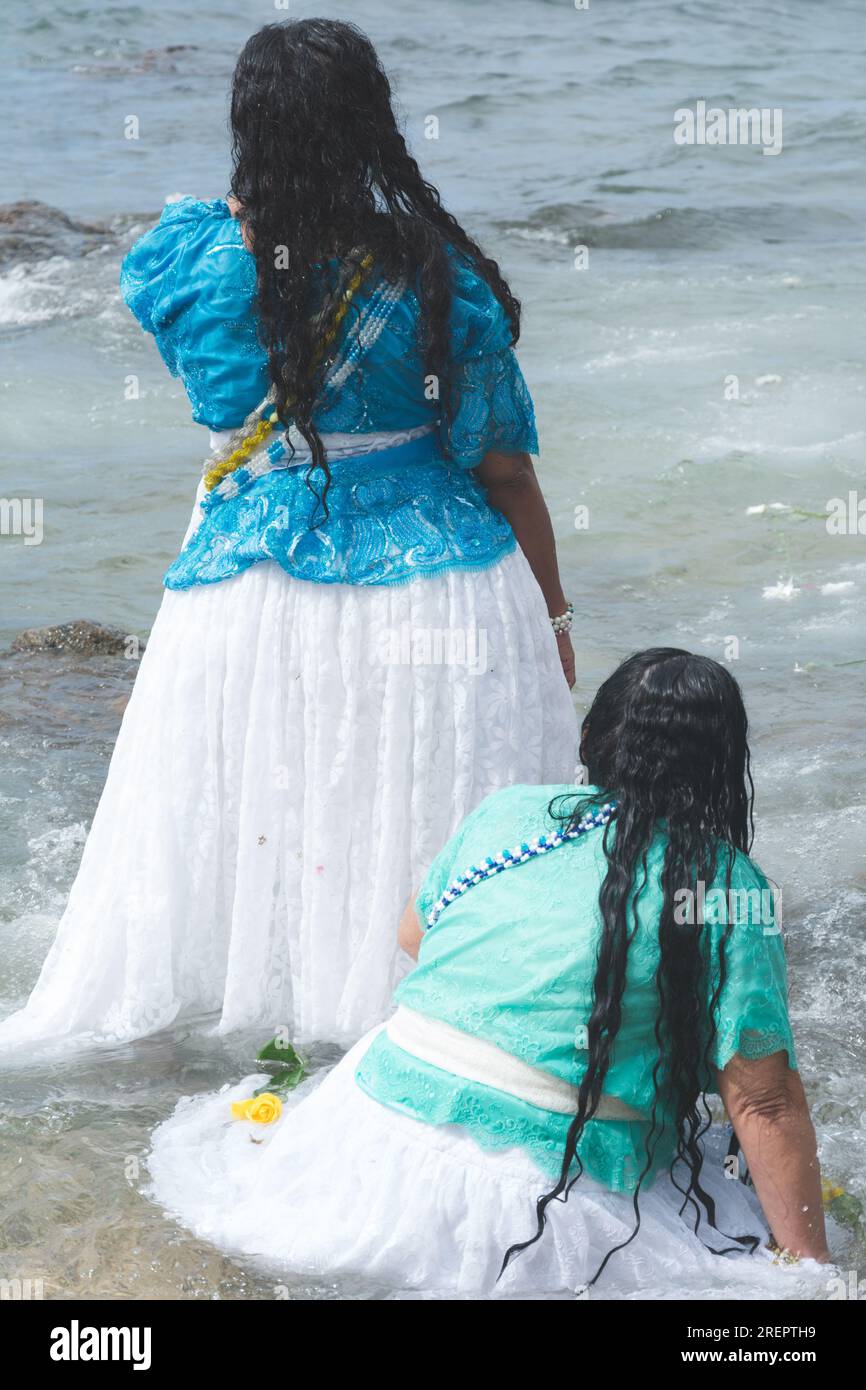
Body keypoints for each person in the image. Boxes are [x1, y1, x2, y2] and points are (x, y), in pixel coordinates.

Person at [0, 20, 577, 1054]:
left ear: (245, 127)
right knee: (398, 809)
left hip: (244, 584)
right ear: (373, 125)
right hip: (435, 585)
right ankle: (404, 1014)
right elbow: (503, 469)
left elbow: (205, 347)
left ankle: (252, 1021)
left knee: (271, 804)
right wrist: (556, 616)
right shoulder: (436, 274)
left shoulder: (190, 259)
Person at [147, 649, 831, 1297]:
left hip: (361, 1131)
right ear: (722, 768)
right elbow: (763, 1102)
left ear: (593, 735)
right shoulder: (728, 885)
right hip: (532, 1200)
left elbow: (414, 934)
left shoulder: (512, 813)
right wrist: (810, 1269)